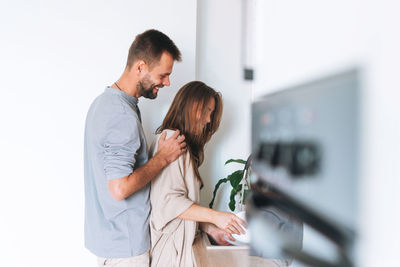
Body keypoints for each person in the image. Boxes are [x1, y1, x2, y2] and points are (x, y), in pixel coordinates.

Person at [84, 29, 186, 267]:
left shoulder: (102, 103)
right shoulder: (121, 115)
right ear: (140, 67)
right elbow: (119, 188)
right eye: (163, 75)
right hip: (126, 249)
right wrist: (163, 158)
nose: (167, 82)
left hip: (108, 243)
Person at [149, 81, 247, 267]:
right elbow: (169, 202)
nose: (209, 120)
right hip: (170, 255)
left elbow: (181, 209)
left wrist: (211, 229)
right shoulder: (172, 141)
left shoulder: (177, 142)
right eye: (207, 111)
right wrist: (216, 217)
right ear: (193, 106)